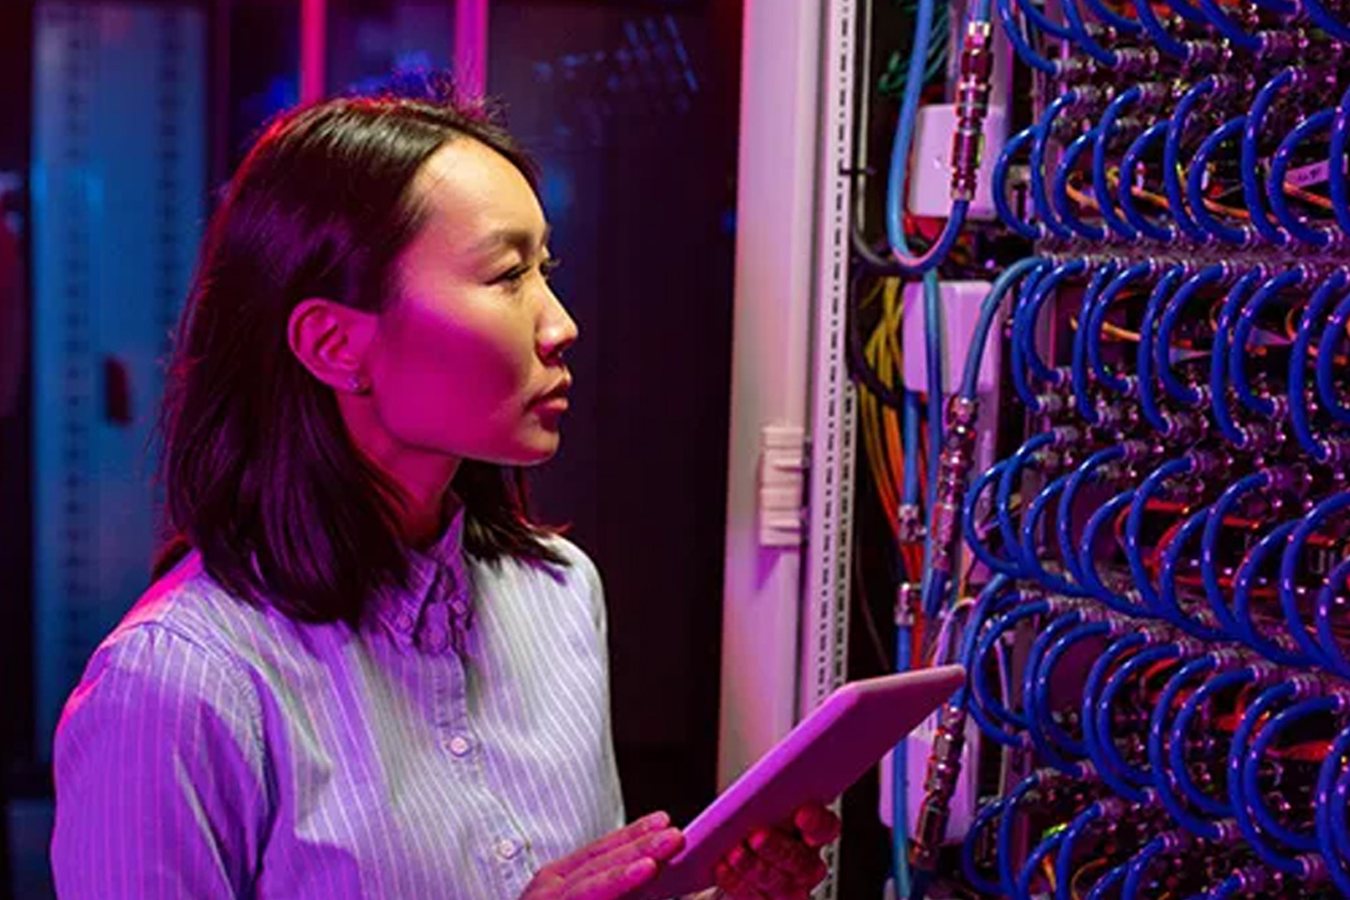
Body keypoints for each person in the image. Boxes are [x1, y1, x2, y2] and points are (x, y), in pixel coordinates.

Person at [48, 85, 840, 899]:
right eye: (506, 276)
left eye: (545, 269)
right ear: (333, 343)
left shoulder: (558, 594)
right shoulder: (178, 684)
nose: (559, 323)